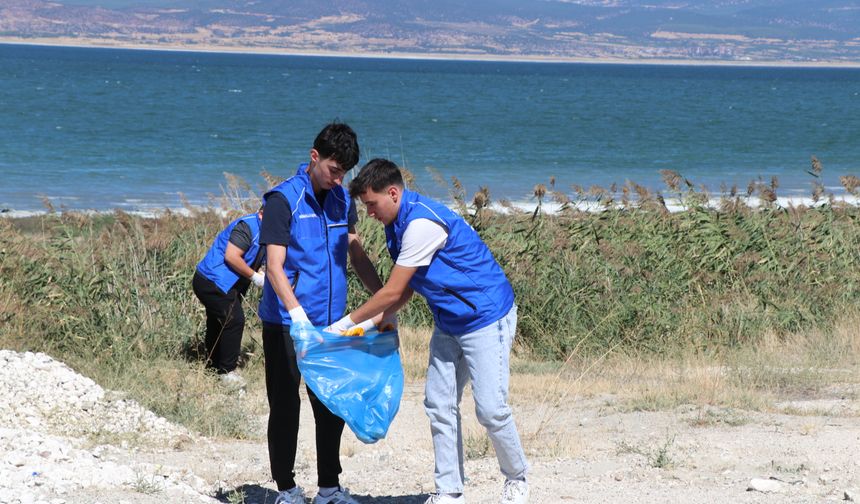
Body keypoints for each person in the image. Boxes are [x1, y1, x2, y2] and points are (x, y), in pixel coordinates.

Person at [329, 158, 530, 504]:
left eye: (372, 204)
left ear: (393, 193)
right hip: (449, 321)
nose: (370, 213)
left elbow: (392, 291)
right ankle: (450, 492)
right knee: (438, 404)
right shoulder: (396, 224)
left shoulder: (420, 224)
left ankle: (517, 479)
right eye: (365, 207)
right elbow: (404, 291)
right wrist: (379, 322)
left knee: (491, 409)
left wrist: (344, 325)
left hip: (486, 317)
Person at [258, 123, 384, 504]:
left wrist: (382, 295)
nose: (338, 178)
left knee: (331, 404)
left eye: (343, 172)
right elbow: (275, 267)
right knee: (285, 406)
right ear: (315, 158)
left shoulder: (342, 199)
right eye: (333, 169)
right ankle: (286, 489)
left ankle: (329, 487)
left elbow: (355, 252)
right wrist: (296, 315)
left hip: (332, 322)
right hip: (287, 323)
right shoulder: (283, 199)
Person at [192, 208, 266, 388]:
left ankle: (213, 366)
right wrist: (255, 277)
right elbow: (232, 256)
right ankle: (227, 373)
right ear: (263, 213)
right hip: (212, 281)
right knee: (234, 321)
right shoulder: (247, 226)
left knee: (219, 323)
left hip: (226, 284)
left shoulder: (267, 230)